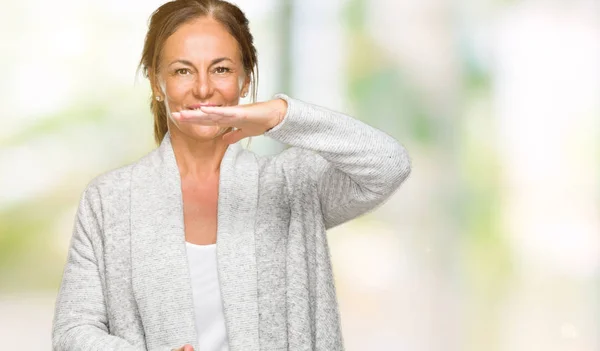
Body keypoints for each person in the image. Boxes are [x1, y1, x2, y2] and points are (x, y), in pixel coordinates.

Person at [51, 0, 411, 350]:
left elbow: (388, 164)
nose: (204, 89)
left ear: (244, 81)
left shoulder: (291, 183)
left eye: (221, 69)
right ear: (157, 84)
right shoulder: (110, 199)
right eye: (182, 70)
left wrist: (280, 115)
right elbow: (73, 330)